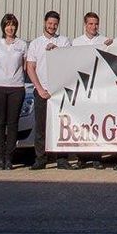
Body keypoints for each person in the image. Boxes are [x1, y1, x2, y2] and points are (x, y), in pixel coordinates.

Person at [26, 10, 68, 170]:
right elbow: (30, 68)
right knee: (41, 127)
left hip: (59, 91)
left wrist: (58, 50)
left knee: (61, 126)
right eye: (50, 23)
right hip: (42, 90)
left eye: (55, 24)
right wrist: (39, 89)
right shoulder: (36, 44)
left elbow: (69, 63)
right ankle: (41, 158)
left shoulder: (64, 41)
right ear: (45, 23)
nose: (52, 26)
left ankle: (62, 159)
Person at [0, 14, 30, 170]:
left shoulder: (22, 45)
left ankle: (9, 158)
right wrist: (0, 79)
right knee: (0, 123)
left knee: (13, 124)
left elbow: (24, 66)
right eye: (7, 25)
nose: (10, 28)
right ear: (3, 27)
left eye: (13, 25)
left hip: (16, 88)